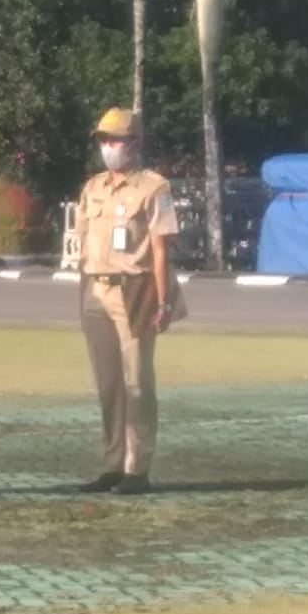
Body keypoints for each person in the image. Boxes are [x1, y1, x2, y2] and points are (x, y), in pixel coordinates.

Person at [76, 107, 182, 495]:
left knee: (137, 382)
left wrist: (164, 302)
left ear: (135, 143)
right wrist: (82, 295)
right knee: (108, 385)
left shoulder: (153, 187)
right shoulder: (93, 187)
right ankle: (112, 464)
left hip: (135, 288)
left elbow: (160, 249)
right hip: (96, 290)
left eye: (115, 140)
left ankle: (138, 468)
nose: (108, 147)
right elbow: (83, 248)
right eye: (103, 140)